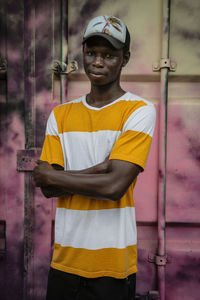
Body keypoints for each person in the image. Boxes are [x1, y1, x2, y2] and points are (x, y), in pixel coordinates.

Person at [33, 15, 156, 300]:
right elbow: (48, 188)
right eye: (91, 53)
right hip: (64, 262)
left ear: (124, 58)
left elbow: (114, 188)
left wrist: (55, 174)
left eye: (109, 55)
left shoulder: (138, 110)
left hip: (112, 267)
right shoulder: (61, 115)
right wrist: (100, 169)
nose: (98, 62)